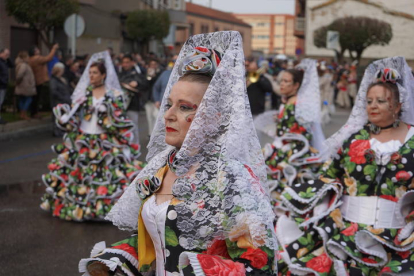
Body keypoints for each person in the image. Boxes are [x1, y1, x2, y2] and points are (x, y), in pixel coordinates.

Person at [79, 31, 277, 276]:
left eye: (184, 107)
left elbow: (259, 266)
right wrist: (116, 260)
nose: (168, 115)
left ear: (214, 117)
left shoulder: (231, 178)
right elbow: (153, 238)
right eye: (170, 103)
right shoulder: (162, 166)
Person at [276, 56, 414, 275]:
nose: (373, 106)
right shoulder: (353, 140)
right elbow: (329, 176)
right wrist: (298, 202)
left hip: (398, 238)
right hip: (349, 235)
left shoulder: (412, 139)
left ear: (397, 105)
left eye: (381, 101)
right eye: (369, 101)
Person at [40, 51, 144, 221]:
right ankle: (82, 208)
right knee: (81, 175)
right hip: (85, 139)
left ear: (104, 75)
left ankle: (108, 209)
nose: (91, 75)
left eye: (95, 73)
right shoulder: (84, 93)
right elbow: (73, 115)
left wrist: (108, 114)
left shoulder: (113, 94)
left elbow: (120, 118)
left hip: (105, 141)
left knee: (108, 174)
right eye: (89, 73)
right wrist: (65, 117)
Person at [262, 59, 325, 211]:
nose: (281, 84)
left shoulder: (296, 106)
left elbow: (303, 134)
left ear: (296, 85)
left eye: (286, 81)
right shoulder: (290, 103)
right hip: (285, 150)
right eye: (280, 81)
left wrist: (285, 139)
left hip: (292, 155)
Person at [118, 54, 150, 144]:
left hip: (132, 105)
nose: (125, 65)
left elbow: (145, 85)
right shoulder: (119, 73)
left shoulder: (138, 73)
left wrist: (136, 83)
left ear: (132, 63)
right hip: (120, 105)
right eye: (123, 62)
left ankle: (135, 147)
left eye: (127, 62)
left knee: (133, 127)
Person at [28, 43, 59, 118]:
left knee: (36, 97)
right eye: (37, 49)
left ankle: (35, 112)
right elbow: (48, 58)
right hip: (38, 80)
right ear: (34, 52)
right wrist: (54, 49)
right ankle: (34, 113)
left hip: (36, 79)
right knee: (36, 97)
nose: (39, 50)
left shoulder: (31, 59)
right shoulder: (36, 58)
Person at [49, 62, 72, 137]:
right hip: (58, 101)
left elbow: (68, 88)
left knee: (64, 116)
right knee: (58, 116)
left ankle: (63, 129)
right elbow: (53, 91)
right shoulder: (54, 81)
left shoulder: (63, 79)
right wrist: (62, 97)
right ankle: (56, 131)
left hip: (65, 100)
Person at [14, 51, 36, 120]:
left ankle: (22, 113)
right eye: (27, 57)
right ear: (24, 58)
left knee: (22, 99)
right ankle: (24, 113)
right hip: (25, 85)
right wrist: (19, 81)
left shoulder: (20, 64)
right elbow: (20, 75)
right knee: (28, 99)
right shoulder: (24, 65)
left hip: (22, 85)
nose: (28, 58)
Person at [145, 59, 162, 135]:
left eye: (154, 64)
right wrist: (149, 76)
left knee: (156, 117)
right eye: (151, 64)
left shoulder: (160, 74)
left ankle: (156, 134)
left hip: (156, 99)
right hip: (148, 99)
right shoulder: (146, 74)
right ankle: (150, 133)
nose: (153, 66)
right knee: (149, 118)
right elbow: (145, 84)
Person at [0, 48, 13, 124]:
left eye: (8, 54)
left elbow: (12, 65)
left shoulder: (4, 62)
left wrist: (8, 58)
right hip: (1, 85)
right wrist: (3, 81)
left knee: (1, 102)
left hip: (3, 85)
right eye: (6, 54)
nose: (7, 56)